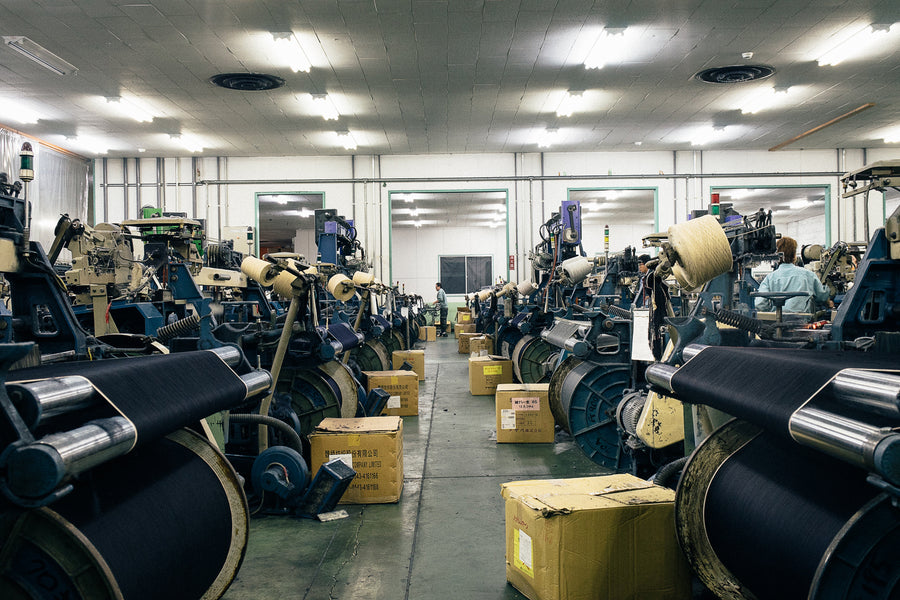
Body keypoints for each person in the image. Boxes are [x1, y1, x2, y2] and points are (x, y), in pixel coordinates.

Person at [755, 236, 830, 313]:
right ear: (794, 255)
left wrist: (772, 312)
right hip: (802, 321)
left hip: (777, 320)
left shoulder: (769, 278)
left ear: (776, 256)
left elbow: (760, 304)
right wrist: (827, 288)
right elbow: (822, 297)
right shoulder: (808, 275)